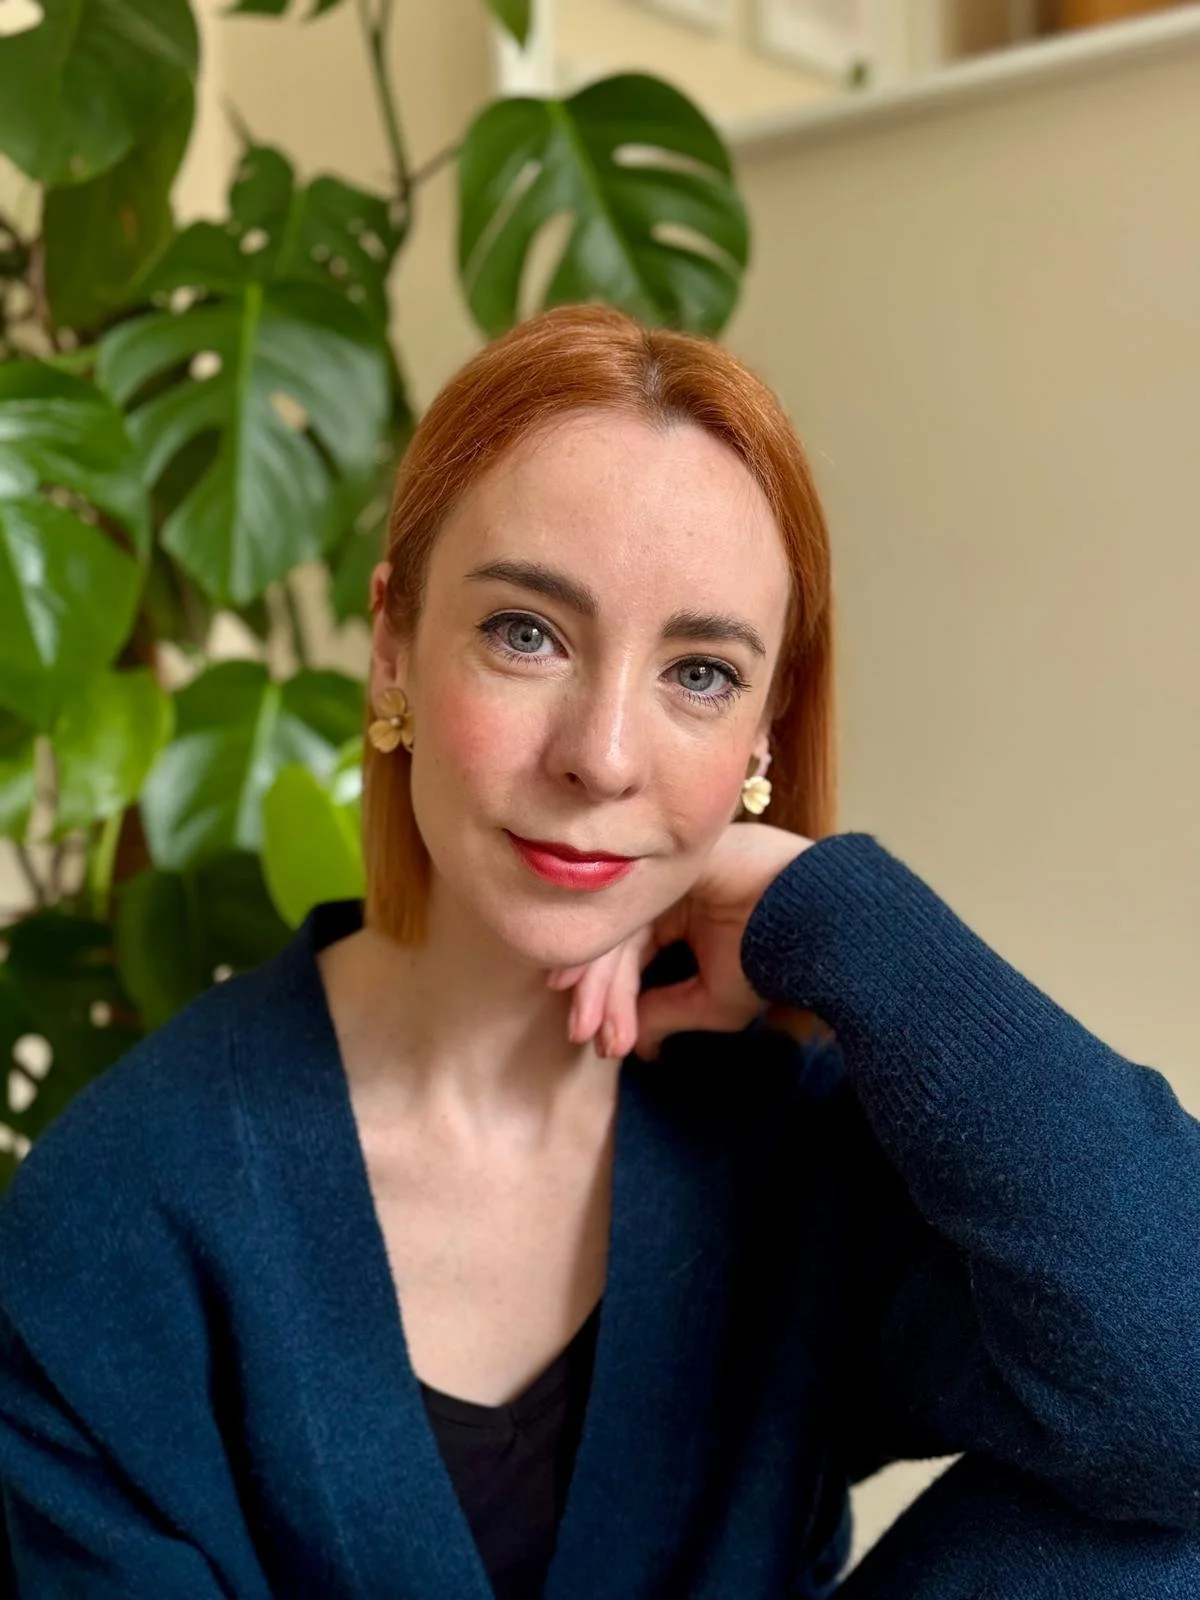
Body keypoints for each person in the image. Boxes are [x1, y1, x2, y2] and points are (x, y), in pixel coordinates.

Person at [0, 304, 1196, 1600]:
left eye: (702, 673)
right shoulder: (117, 1217)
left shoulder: (791, 1148)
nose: (604, 756)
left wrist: (838, 916)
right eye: (527, 632)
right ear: (394, 644)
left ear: (764, 733)